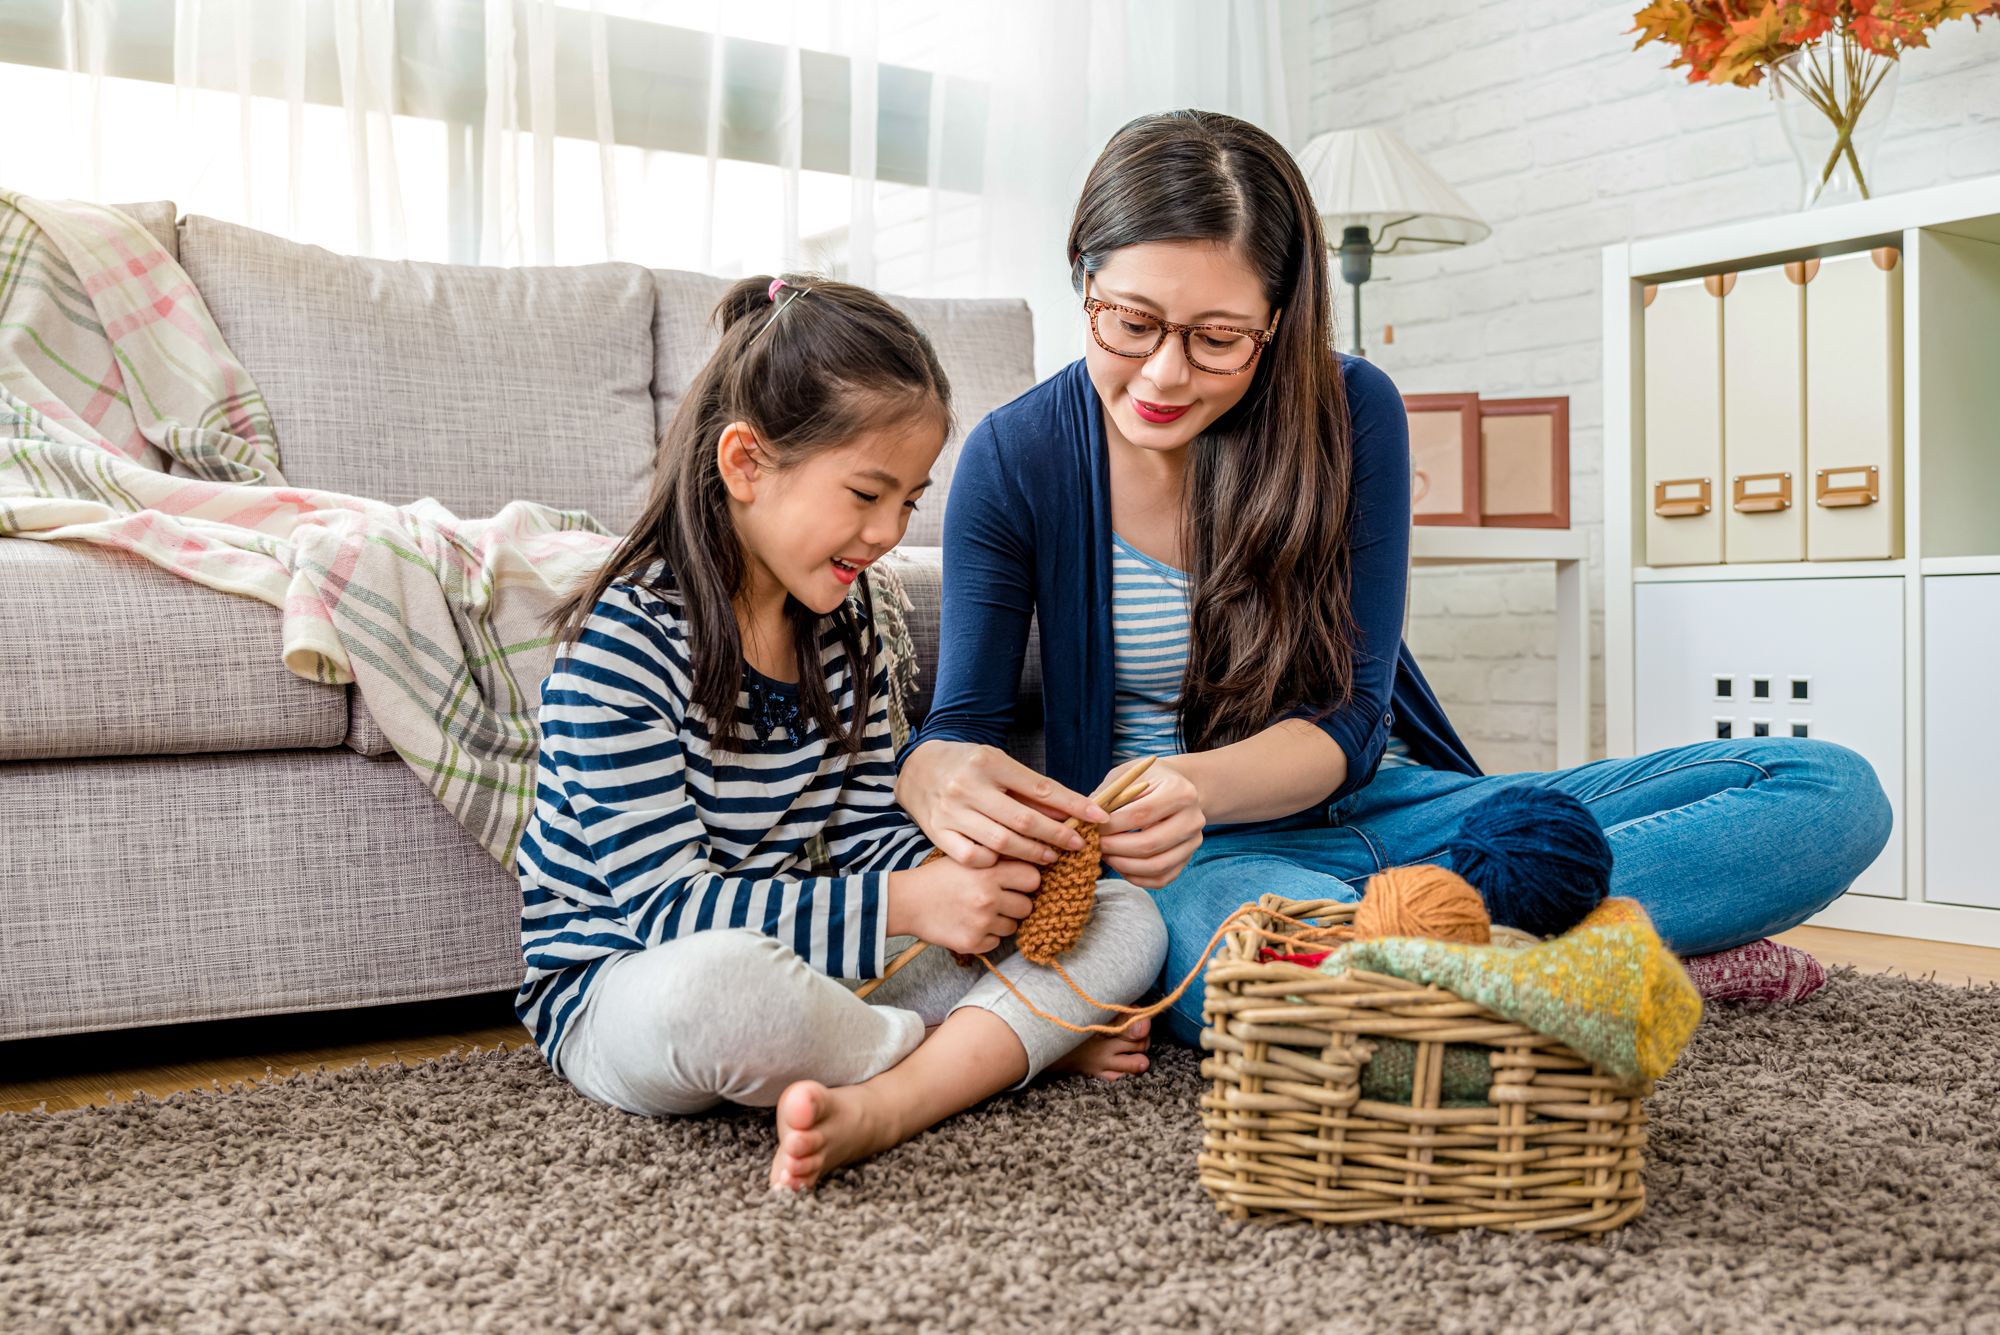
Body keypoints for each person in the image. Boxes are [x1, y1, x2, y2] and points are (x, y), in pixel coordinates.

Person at [896, 110, 1891, 1044]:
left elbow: (1348, 722)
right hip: (1192, 870)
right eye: (1129, 323)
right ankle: (1569, 946)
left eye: (1216, 339)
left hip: (1396, 813)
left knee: (1826, 790)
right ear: (1083, 281)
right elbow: (959, 732)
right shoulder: (1014, 455)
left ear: (1277, 322)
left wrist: (1192, 781)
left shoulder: (1348, 411)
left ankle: (1451, 951)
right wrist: (935, 775)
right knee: (1212, 947)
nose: (1162, 375)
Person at [516, 274, 1167, 1190]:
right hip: (628, 987)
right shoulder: (618, 649)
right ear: (744, 463)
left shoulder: (849, 627)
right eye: (867, 492)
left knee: (1127, 914)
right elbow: (668, 916)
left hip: (825, 966)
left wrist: (975, 877)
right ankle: (966, 1051)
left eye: (908, 500)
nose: (889, 532)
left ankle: (905, 1075)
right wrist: (912, 904)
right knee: (722, 991)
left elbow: (863, 836)